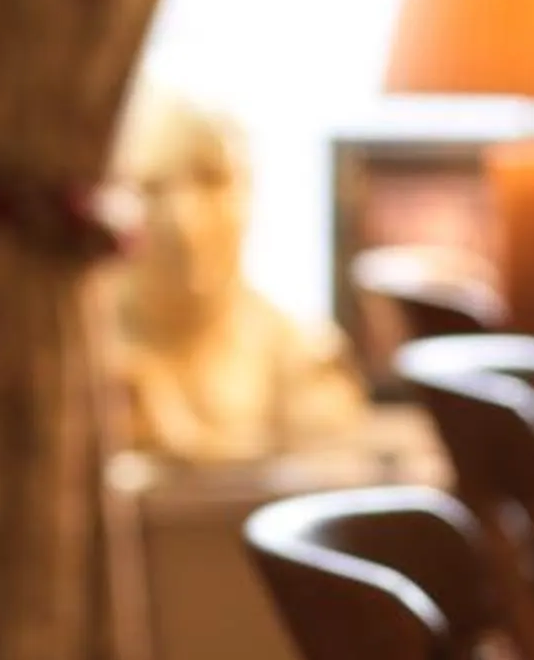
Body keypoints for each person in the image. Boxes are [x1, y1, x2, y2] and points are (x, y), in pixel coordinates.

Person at [109, 88, 365, 463]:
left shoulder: (301, 354)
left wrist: (185, 446)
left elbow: (327, 490)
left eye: (212, 181)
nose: (184, 222)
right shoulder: (81, 352)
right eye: (152, 188)